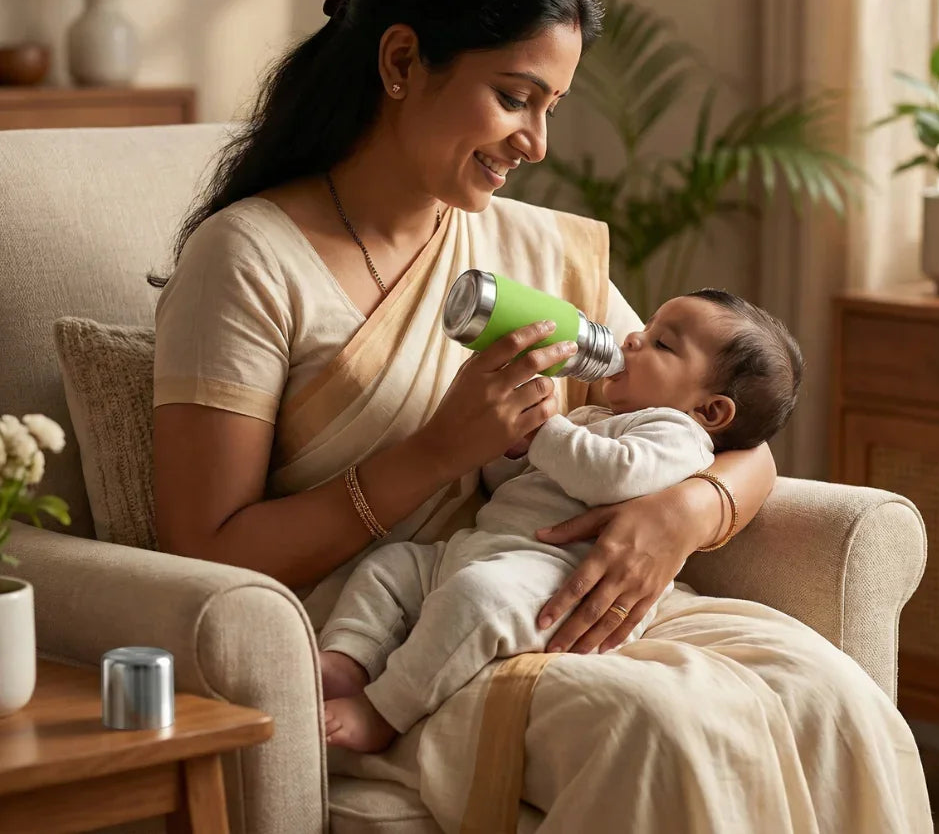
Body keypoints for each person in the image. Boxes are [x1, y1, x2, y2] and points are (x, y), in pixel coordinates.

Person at [151, 0, 932, 832]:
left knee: (830, 694)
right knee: (658, 731)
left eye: (550, 107)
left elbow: (728, 430)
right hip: (386, 638)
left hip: (548, 597)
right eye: (515, 97)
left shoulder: (530, 252)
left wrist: (679, 514)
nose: (538, 143)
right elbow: (202, 556)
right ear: (401, 62)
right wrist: (440, 450)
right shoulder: (248, 259)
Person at [318, 289, 803, 752]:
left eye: (662, 343)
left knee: (477, 602)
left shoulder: (678, 437)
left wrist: (545, 429)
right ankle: (349, 658)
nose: (632, 336)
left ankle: (383, 711)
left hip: (553, 579)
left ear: (710, 410)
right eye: (647, 324)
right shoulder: (594, 415)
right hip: (483, 549)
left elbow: (608, 475)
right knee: (390, 567)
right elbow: (515, 480)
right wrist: (510, 449)